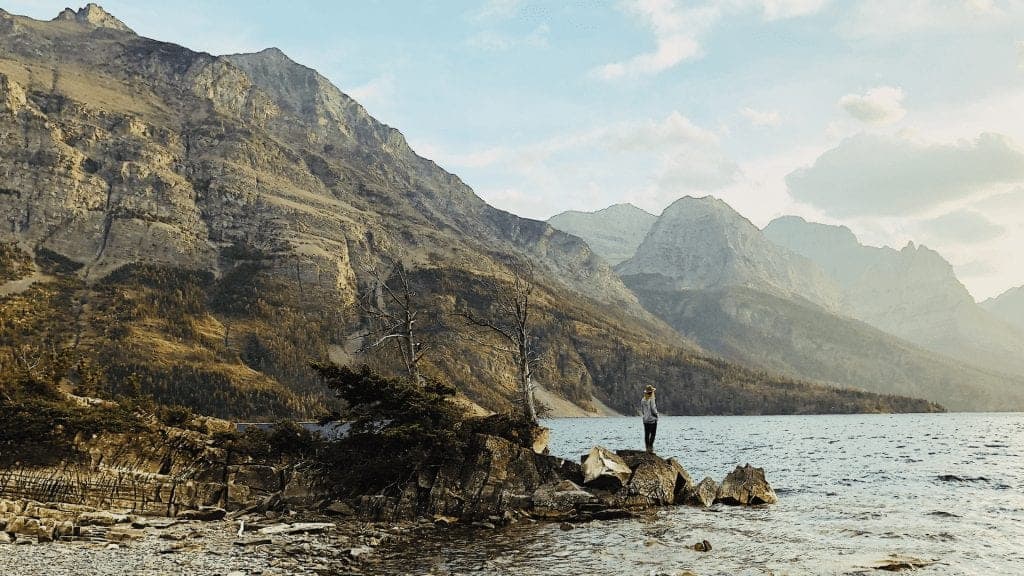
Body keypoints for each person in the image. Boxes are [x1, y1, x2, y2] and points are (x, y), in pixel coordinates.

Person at [640, 384, 658, 453]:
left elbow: (642, 410)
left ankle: (647, 448)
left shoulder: (643, 400)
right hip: (652, 419)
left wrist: (645, 415)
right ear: (651, 392)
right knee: (653, 434)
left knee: (646, 434)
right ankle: (651, 448)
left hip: (645, 419)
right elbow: (653, 408)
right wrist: (656, 415)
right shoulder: (651, 399)